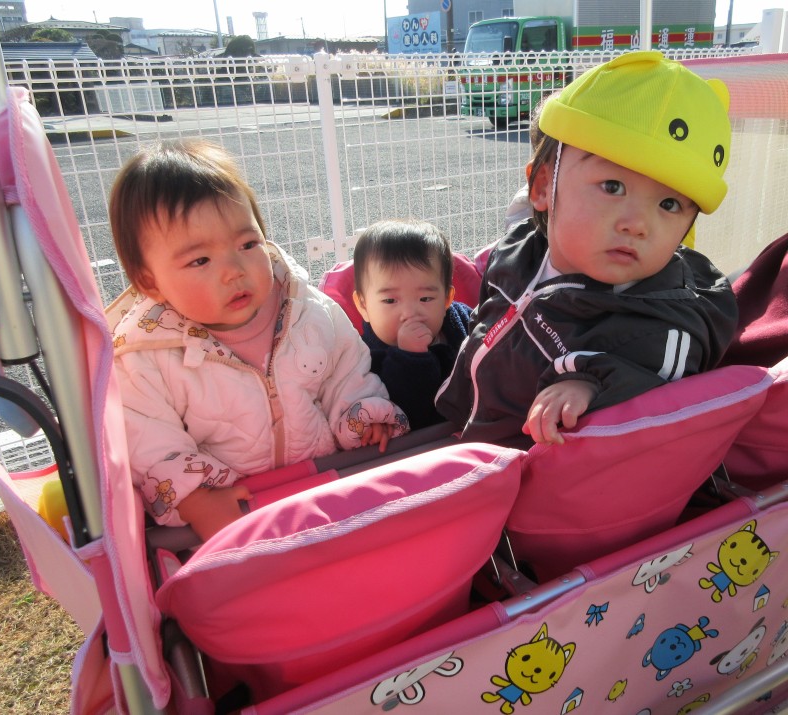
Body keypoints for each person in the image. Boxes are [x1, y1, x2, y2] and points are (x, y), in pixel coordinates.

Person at [106, 140, 409, 540]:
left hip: (325, 493)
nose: (235, 270)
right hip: (236, 519)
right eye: (200, 260)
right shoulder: (144, 357)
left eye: (248, 245)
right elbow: (147, 439)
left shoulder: (307, 312)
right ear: (150, 283)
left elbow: (346, 372)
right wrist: (194, 498)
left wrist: (363, 415)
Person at [436, 51, 738, 446]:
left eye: (668, 204)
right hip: (460, 421)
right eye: (613, 187)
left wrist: (592, 384)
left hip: (522, 464)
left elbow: (664, 400)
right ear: (542, 187)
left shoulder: (664, 322)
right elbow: (488, 318)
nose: (638, 224)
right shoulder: (518, 250)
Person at [352, 219, 472, 429]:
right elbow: (407, 417)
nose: (409, 313)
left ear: (447, 298)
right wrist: (411, 359)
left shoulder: (462, 322)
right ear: (363, 305)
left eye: (425, 298)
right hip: (420, 445)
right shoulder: (362, 360)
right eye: (390, 300)